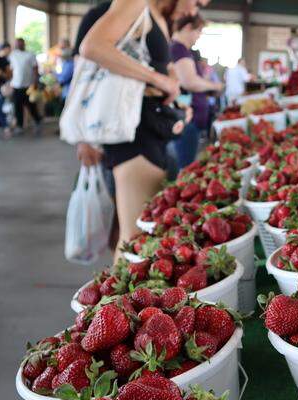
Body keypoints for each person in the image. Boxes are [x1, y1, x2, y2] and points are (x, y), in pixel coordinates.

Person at [75, 0, 196, 262]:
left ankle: (119, 301)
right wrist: (158, 79)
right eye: (196, 0)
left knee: (141, 237)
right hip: (133, 134)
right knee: (134, 239)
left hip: (153, 131)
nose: (193, 11)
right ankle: (115, 303)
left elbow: (163, 72)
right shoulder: (136, 2)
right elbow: (92, 46)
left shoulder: (159, 17)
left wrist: (176, 101)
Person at [170, 14, 223, 168]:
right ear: (187, 28)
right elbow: (189, 82)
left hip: (191, 120)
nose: (199, 37)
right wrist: (215, 86)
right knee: (185, 169)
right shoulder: (178, 49)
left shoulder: (184, 51)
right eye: (199, 31)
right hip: (187, 121)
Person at [8, 38, 43, 135]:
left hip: (28, 85)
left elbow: (35, 68)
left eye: (20, 43)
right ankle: (19, 126)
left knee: (31, 106)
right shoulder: (12, 55)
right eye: (17, 43)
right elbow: (11, 70)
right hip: (16, 85)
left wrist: (36, 81)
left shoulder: (30, 55)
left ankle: (37, 121)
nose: (18, 45)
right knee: (17, 106)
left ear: (24, 44)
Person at [0, 42, 11, 136]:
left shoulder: (4, 60)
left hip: (2, 88)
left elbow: (8, 75)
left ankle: (5, 126)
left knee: (0, 108)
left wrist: (1, 73)